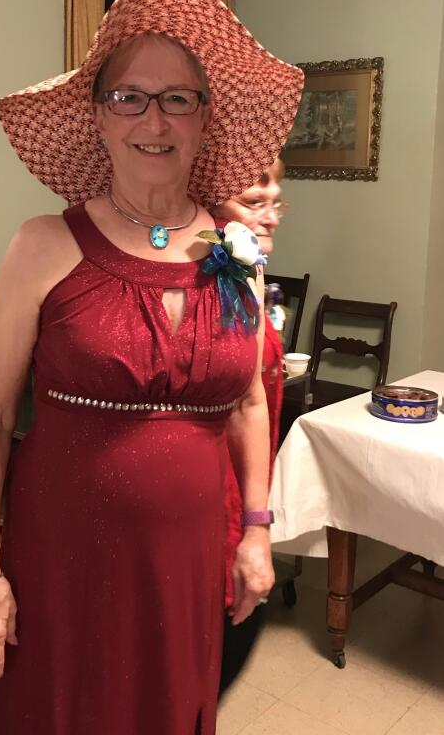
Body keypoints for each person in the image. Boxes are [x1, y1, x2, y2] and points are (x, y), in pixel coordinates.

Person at [0, 0, 302, 735]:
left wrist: (256, 530)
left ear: (205, 119)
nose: (155, 119)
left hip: (188, 557)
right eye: (129, 97)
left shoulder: (237, 254)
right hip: (61, 551)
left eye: (178, 98)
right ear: (99, 117)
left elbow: (249, 403)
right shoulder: (42, 245)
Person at [216, 159, 289, 695]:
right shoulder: (209, 274)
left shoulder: (248, 273)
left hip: (245, 498)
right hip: (211, 499)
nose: (272, 216)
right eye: (254, 202)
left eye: (277, 202)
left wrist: (258, 524)